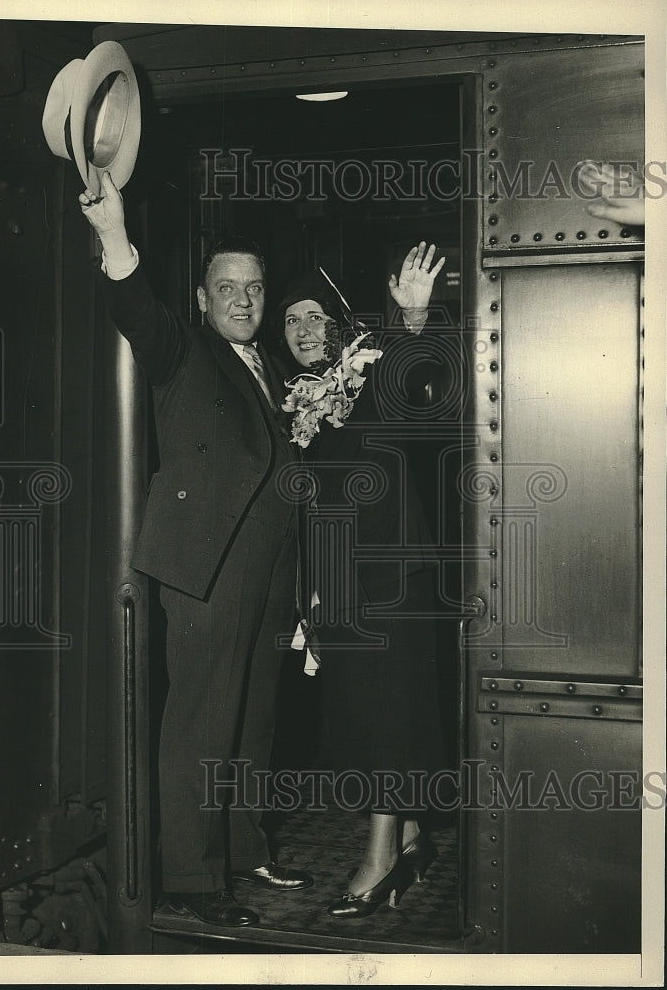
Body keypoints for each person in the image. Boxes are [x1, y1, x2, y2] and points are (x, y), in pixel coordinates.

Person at [79, 171, 313, 928]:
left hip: (270, 569)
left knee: (255, 720)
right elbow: (133, 308)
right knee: (203, 722)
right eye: (227, 288)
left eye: (253, 288)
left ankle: (243, 850)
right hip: (205, 568)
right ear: (203, 298)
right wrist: (114, 235)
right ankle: (189, 875)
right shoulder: (181, 348)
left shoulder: (271, 366)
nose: (243, 301)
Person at [276, 242, 450, 918]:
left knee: (386, 717)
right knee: (357, 715)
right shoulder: (295, 403)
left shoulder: (368, 369)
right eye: (290, 320)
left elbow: (408, 385)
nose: (302, 329)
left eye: (315, 315)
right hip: (336, 583)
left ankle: (377, 860)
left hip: (388, 575)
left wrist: (409, 321)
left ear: (341, 323)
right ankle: (405, 835)